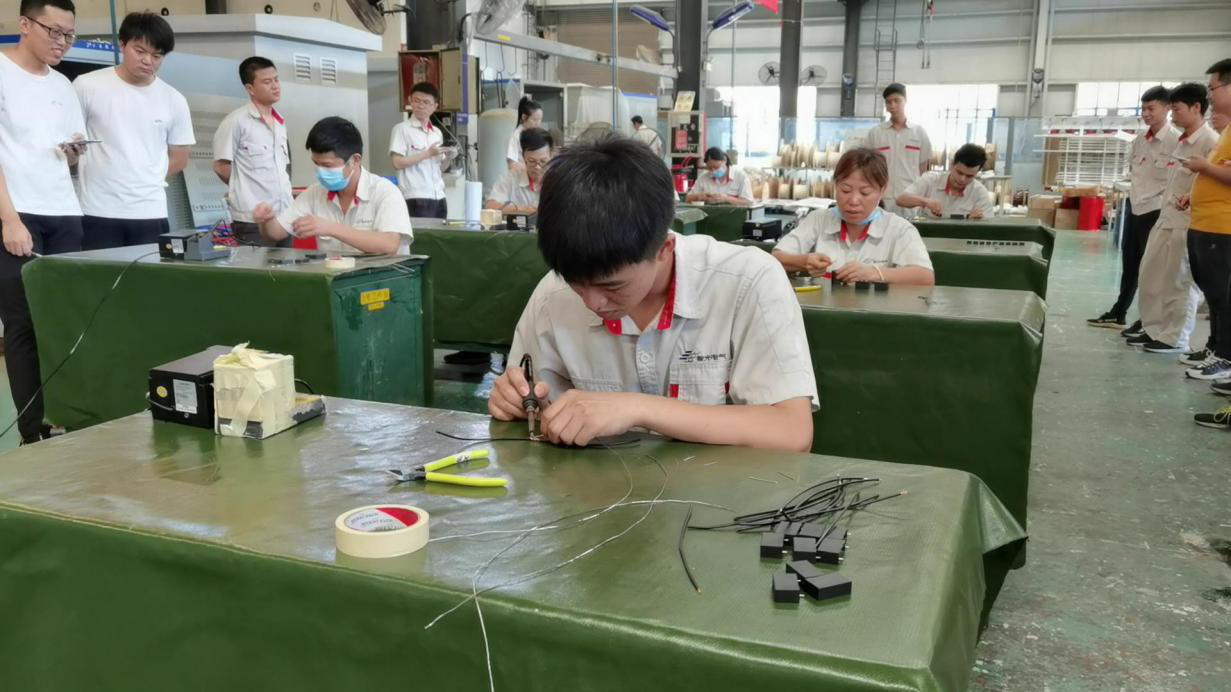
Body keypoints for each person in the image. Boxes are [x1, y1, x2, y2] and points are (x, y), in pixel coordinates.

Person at [488, 136, 818, 451]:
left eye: (612, 286)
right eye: (575, 282)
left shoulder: (748, 282)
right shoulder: (553, 295)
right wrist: (514, 400)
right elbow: (530, 398)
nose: (591, 302)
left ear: (664, 249)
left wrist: (637, 409)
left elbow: (792, 432)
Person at [0, 0, 87, 445]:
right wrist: (9, 220)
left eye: (68, 34)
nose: (62, 42)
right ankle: (32, 430)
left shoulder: (62, 84)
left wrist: (74, 151)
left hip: (64, 212)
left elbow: (67, 155)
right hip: (18, 214)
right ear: (24, 24)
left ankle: (67, 415)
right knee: (23, 325)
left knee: (65, 321)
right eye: (54, 31)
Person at [74, 11, 194, 249]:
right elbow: (72, 141)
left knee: (147, 273)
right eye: (140, 51)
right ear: (122, 44)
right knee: (98, 273)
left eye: (157, 55)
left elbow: (180, 159)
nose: (148, 61)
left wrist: (145, 176)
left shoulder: (174, 99)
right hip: (97, 210)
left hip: (150, 211)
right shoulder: (86, 85)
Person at [1129, 82, 1219, 355]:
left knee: (1180, 282)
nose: (1173, 114)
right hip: (1165, 219)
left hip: (1186, 223)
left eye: (1177, 109)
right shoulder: (1182, 142)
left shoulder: (1209, 142)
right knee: (1152, 277)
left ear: (1195, 108)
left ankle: (1175, 337)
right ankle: (1154, 328)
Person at [772, 148, 934, 286]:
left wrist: (874, 273)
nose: (853, 200)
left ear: (882, 190)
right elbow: (777, 257)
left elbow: (925, 277)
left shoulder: (899, 229)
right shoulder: (818, 219)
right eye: (845, 190)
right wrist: (804, 262)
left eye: (865, 192)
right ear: (835, 186)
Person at [1088, 85, 1178, 331]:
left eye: (1151, 108)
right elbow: (1134, 173)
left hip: (1157, 211)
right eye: (1143, 109)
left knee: (1153, 269)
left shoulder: (1175, 141)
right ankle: (1119, 312)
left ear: (1167, 109)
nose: (1146, 114)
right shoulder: (1140, 140)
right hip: (1136, 207)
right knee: (1130, 263)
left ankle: (1149, 319)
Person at [253, 116, 412, 254]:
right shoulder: (315, 193)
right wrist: (267, 221)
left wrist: (331, 228)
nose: (321, 172)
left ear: (355, 160)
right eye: (316, 164)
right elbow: (276, 233)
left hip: (384, 278)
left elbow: (389, 244)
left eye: (328, 166)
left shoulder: (384, 192)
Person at [1186, 60, 1231, 431]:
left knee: (1222, 297)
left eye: (1213, 88)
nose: (1210, 95)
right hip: (1207, 225)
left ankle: (1224, 356)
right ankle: (1219, 351)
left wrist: (1203, 168)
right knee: (1217, 296)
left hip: (1222, 228)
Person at [213, 56, 292, 247]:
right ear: (250, 88)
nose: (275, 86)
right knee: (257, 266)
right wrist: (244, 189)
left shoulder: (280, 122)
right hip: (251, 220)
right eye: (267, 82)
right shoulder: (236, 121)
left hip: (284, 216)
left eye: (276, 79)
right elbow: (221, 167)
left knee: (287, 266)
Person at [865, 83, 932, 215]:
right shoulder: (876, 133)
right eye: (888, 102)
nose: (893, 105)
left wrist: (920, 196)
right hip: (883, 198)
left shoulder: (918, 132)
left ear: (905, 101)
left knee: (909, 228)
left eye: (897, 100)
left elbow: (923, 169)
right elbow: (867, 167)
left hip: (910, 199)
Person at [390, 81, 453, 220]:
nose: (420, 105)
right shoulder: (402, 129)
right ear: (410, 101)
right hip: (415, 196)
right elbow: (397, 163)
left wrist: (448, 157)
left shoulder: (436, 132)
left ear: (434, 106)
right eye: (416, 100)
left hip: (439, 196)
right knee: (421, 234)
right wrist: (427, 154)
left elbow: (441, 168)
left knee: (441, 233)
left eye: (426, 102)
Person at [895, 143, 994, 219]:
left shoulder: (979, 192)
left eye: (969, 176)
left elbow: (988, 223)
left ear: (977, 173)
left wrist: (976, 221)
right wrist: (925, 202)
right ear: (952, 165)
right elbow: (900, 199)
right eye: (959, 172)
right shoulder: (931, 180)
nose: (962, 179)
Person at [485, 128, 552, 215]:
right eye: (532, 161)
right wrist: (521, 209)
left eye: (543, 161)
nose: (537, 167)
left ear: (551, 156)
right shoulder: (512, 178)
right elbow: (490, 206)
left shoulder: (558, 180)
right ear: (523, 157)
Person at [686, 147, 754, 205]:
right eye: (709, 168)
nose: (713, 171)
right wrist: (699, 196)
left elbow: (748, 202)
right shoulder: (703, 177)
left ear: (725, 160)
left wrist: (726, 198)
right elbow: (687, 198)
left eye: (716, 167)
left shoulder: (741, 176)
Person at [507, 96, 542, 169]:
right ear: (524, 117)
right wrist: (529, 168)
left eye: (540, 120)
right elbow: (511, 164)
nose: (538, 123)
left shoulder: (536, 134)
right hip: (522, 174)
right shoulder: (516, 136)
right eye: (535, 119)